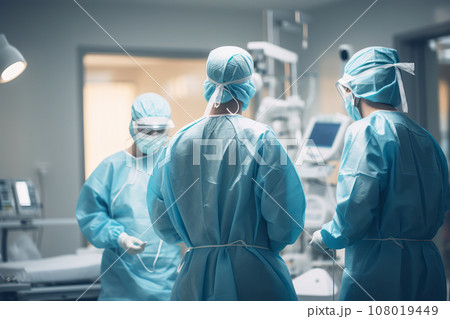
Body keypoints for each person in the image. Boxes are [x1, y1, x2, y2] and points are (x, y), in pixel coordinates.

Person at [147, 46, 306, 300]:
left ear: (208, 87)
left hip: (196, 281)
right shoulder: (261, 139)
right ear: (248, 89)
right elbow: (286, 221)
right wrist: (260, 248)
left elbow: (163, 221)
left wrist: (201, 243)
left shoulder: (178, 143)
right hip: (256, 277)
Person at [310, 46, 450, 301]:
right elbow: (442, 204)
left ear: (353, 90)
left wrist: (328, 236)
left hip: (378, 269)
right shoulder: (425, 137)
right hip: (427, 265)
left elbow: (356, 205)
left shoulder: (365, 131)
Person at [76, 93, 181, 301]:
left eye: (158, 131)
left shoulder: (174, 167)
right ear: (132, 127)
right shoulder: (112, 168)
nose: (152, 135)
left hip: (168, 279)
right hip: (122, 280)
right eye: (145, 130)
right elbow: (90, 214)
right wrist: (119, 237)